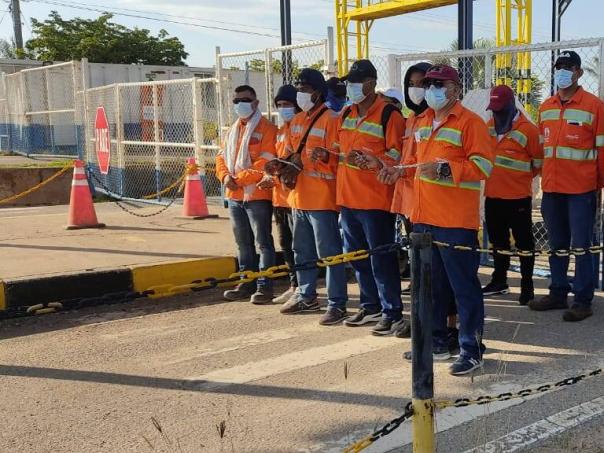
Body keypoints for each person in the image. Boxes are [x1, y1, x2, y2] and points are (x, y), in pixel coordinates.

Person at [386, 64, 493, 375]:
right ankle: (436, 342)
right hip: (424, 218)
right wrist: (397, 171)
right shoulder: (422, 122)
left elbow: (484, 166)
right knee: (429, 288)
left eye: (438, 84)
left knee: (464, 289)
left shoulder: (471, 123)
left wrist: (446, 170)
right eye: (429, 84)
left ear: (456, 89)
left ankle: (471, 349)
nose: (431, 89)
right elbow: (415, 164)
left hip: (456, 222)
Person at [529, 51, 604, 322]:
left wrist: (599, 186)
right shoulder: (546, 107)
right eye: (558, 66)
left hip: (581, 190)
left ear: (578, 73)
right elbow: (542, 147)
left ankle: (583, 300)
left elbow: (601, 150)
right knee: (557, 244)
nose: (562, 71)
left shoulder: (594, 106)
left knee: (582, 245)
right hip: (552, 189)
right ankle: (558, 292)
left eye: (568, 67)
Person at [336, 59, 406, 335]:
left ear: (371, 83)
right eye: (348, 82)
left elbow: (398, 154)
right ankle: (370, 306)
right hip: (348, 198)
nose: (350, 87)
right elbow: (340, 151)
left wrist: (377, 160)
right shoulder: (346, 113)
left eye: (355, 82)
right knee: (357, 257)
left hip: (375, 200)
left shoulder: (389, 114)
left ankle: (392, 312)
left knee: (381, 259)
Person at [278, 69, 349, 325]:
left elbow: (339, 159)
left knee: (330, 254)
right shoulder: (297, 121)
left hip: (322, 199)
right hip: (299, 197)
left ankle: (337, 303)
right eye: (299, 89)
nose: (301, 94)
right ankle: (306, 295)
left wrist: (324, 158)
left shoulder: (332, 120)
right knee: (302, 251)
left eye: (305, 89)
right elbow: (287, 151)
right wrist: (281, 164)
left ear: (318, 92)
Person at [216, 85, 278, 304]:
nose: (240, 104)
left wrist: (238, 180)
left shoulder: (268, 129)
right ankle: (246, 282)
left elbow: (266, 162)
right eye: (236, 101)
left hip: (257, 195)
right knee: (243, 243)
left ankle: (264, 286)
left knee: (263, 242)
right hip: (234, 196)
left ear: (256, 102)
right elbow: (220, 158)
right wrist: (225, 177)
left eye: (245, 100)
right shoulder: (231, 130)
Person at [482, 85, 543, 305]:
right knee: (498, 242)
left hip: (518, 198)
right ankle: (499, 281)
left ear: (510, 105)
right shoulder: (489, 126)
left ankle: (527, 286)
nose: (496, 113)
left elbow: (538, 163)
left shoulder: (529, 131)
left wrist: (517, 178)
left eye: (500, 109)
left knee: (524, 243)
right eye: (493, 109)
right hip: (493, 196)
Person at [257, 85, 300, 304]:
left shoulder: (299, 129)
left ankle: (303, 287)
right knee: (285, 243)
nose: (283, 109)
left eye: (288, 104)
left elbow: (294, 163)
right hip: (279, 197)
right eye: (280, 105)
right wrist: (270, 176)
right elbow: (277, 161)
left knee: (298, 246)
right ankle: (294, 285)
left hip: (294, 198)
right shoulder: (281, 130)